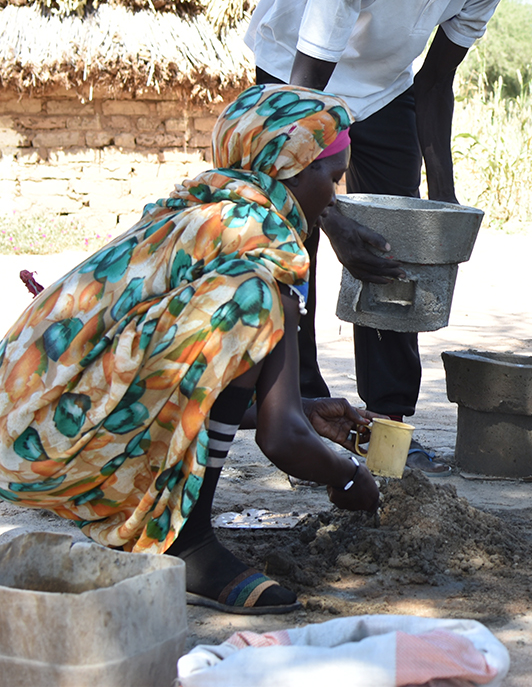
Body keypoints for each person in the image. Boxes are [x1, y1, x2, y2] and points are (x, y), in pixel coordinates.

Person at [0, 85, 380, 615]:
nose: (335, 198)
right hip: (58, 444)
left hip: (30, 426)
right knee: (251, 302)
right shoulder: (265, 247)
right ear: (294, 169)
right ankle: (188, 543)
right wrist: (349, 476)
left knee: (239, 308)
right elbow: (282, 440)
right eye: (333, 178)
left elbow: (171, 381)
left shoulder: (204, 210)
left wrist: (301, 409)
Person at [244, 0, 526, 476]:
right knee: (297, 245)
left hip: (383, 91)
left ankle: (390, 424)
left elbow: (434, 84)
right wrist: (334, 222)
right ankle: (307, 411)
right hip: (295, 73)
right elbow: (303, 106)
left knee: (402, 243)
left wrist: (443, 205)